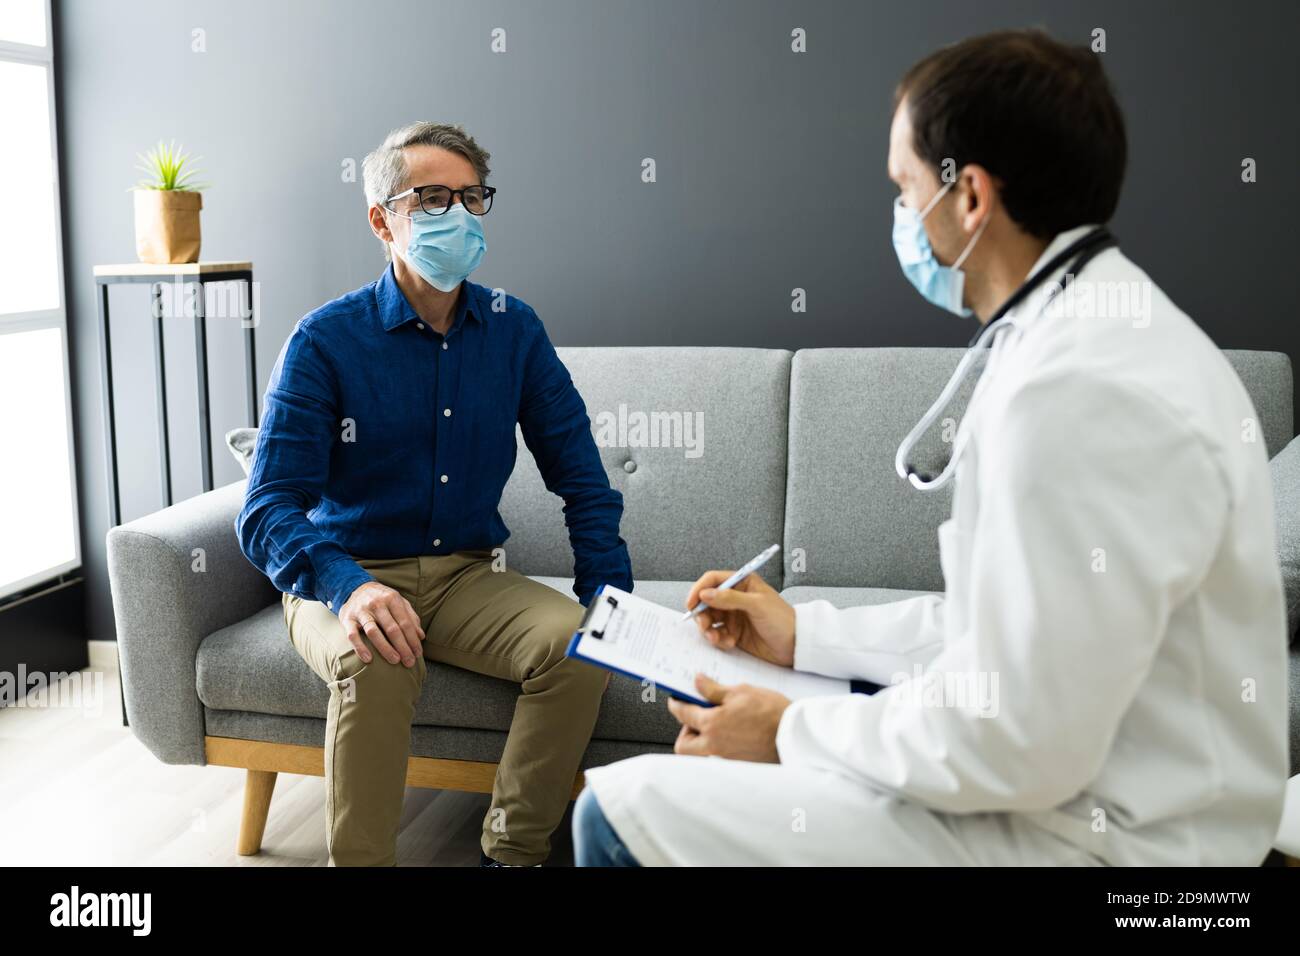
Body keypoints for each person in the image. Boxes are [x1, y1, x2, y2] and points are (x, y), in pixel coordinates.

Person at [572, 29, 1288, 866]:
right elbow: (1000, 631)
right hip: (1104, 798)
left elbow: (1012, 737)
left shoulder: (1072, 390)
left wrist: (791, 731)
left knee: (618, 811)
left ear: (971, 197)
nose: (903, 217)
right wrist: (803, 637)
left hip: (1124, 851)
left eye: (905, 189)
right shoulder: (1098, 332)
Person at [237, 122, 631, 867]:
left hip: (464, 575)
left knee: (576, 646)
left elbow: (579, 473)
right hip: (342, 580)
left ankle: (510, 854)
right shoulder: (324, 341)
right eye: (433, 197)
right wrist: (347, 588)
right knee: (376, 658)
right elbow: (266, 511)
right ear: (383, 218)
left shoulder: (514, 331)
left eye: (472, 197)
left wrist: (611, 597)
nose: (458, 213)